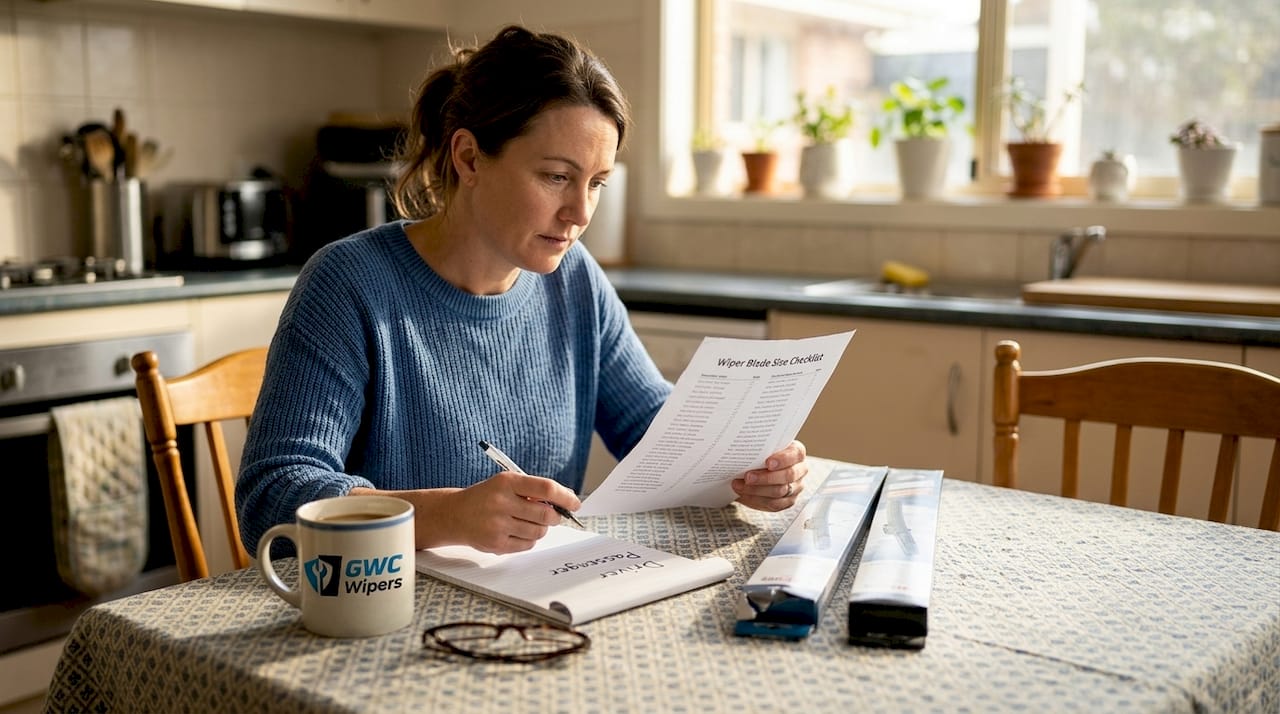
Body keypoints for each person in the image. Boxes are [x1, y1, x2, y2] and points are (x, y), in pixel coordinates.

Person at [235, 24, 808, 556]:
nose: (580, 212)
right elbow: (273, 498)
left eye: (597, 183)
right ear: (469, 158)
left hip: (538, 606)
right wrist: (445, 516)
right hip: (381, 612)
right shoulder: (349, 284)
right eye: (556, 176)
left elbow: (655, 431)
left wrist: (747, 466)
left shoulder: (575, 279)